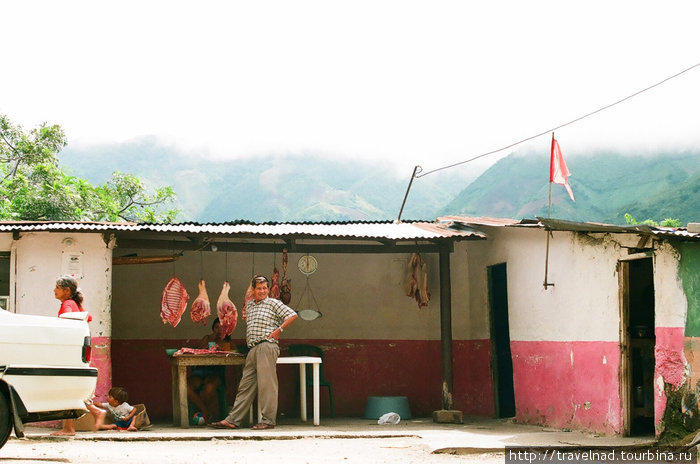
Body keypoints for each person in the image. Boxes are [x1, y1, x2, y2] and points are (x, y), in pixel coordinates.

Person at [209, 274, 297, 430]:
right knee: (246, 385)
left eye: (265, 288)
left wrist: (279, 330)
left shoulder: (273, 303)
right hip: (253, 348)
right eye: (259, 288)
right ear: (253, 290)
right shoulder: (249, 306)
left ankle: (268, 420)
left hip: (267, 346)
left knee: (266, 385)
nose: (262, 291)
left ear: (268, 289)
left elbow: (292, 315)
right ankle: (233, 419)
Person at [51, 275, 92, 436]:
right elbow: (88, 317)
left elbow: (68, 320)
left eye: (57, 287)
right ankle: (93, 414)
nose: (54, 290)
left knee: (66, 388)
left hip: (69, 351)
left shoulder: (68, 304)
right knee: (69, 387)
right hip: (76, 350)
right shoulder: (74, 303)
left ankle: (68, 428)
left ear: (66, 291)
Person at [187, 317, 231, 421]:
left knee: (209, 387)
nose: (219, 330)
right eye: (216, 327)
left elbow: (234, 351)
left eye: (222, 328)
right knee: (185, 386)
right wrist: (211, 340)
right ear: (213, 329)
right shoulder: (207, 338)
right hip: (200, 371)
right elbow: (199, 349)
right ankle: (205, 411)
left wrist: (222, 347)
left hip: (215, 373)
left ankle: (206, 413)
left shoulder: (227, 342)